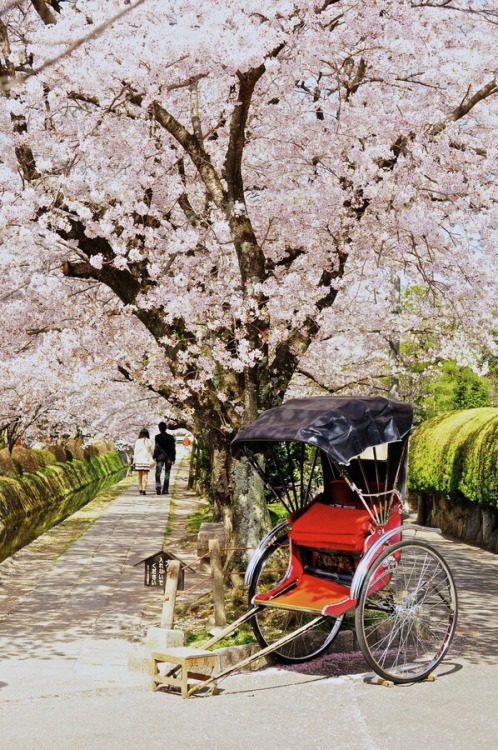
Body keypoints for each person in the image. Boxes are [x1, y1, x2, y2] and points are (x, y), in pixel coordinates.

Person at [154, 422, 176, 495]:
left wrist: (155, 456)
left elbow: (156, 447)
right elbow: (173, 448)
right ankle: (165, 490)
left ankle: (158, 486)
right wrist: (173, 458)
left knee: (158, 473)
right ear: (166, 428)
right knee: (167, 473)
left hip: (160, 457)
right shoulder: (171, 437)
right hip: (168, 457)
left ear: (159, 428)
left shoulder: (157, 437)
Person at [133, 428, 154, 495]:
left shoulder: (137, 441)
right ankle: (144, 488)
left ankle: (140, 488)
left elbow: (135, 451)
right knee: (145, 475)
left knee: (139, 475)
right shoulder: (149, 441)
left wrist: (134, 461)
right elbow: (152, 451)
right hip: (146, 460)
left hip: (139, 460)